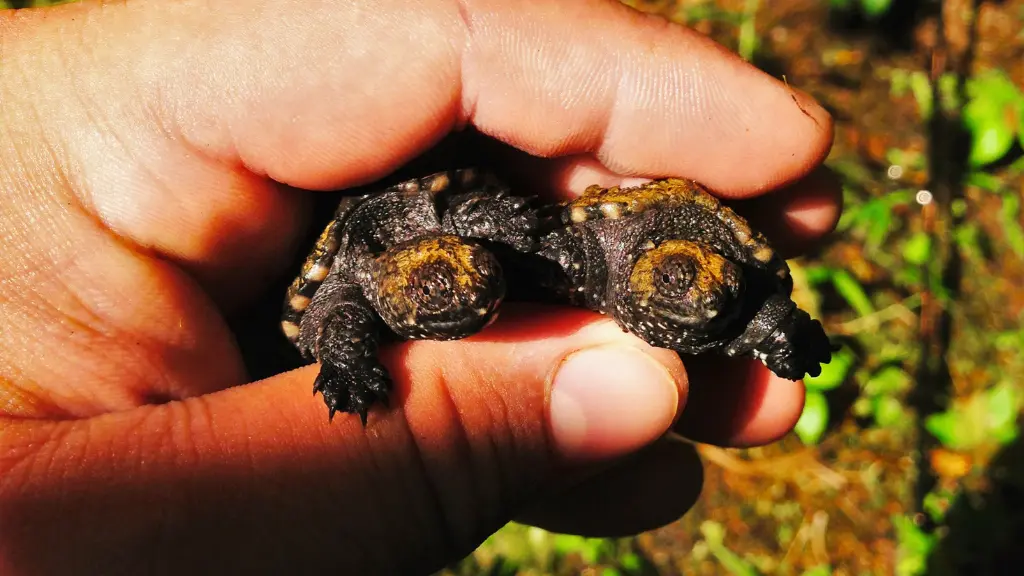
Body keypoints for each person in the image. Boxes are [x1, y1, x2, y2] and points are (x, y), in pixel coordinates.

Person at [0, 0, 840, 573]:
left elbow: (525, 229)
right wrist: (351, 372)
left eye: (471, 273)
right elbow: (345, 317)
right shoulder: (355, 296)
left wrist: (773, 326)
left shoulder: (598, 243)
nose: (473, 281)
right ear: (399, 304)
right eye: (452, 291)